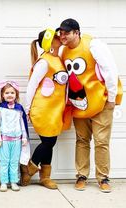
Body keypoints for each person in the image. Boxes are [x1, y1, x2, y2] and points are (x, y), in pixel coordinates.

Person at [56, 18, 123, 193]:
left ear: (76, 32)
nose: (62, 36)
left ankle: (103, 178)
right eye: (61, 33)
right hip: (79, 104)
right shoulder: (63, 51)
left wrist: (111, 98)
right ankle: (81, 176)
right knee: (82, 141)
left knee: (101, 142)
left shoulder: (94, 45)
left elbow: (110, 70)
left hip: (100, 103)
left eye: (66, 33)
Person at [20, 28, 69, 189]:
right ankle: (29, 169)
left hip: (55, 109)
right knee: (49, 141)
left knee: (49, 141)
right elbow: (32, 85)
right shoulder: (44, 61)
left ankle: (45, 177)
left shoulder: (58, 59)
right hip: (43, 109)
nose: (60, 37)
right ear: (51, 43)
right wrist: (27, 109)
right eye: (56, 37)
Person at [0, 81, 29, 192]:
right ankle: (4, 182)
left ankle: (14, 181)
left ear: (16, 94)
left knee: (14, 161)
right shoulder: (0, 108)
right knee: (4, 161)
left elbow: (22, 124)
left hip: (17, 140)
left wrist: (24, 137)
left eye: (12, 92)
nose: (9, 95)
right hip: (4, 140)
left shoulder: (19, 108)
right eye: (7, 92)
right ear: (2, 95)